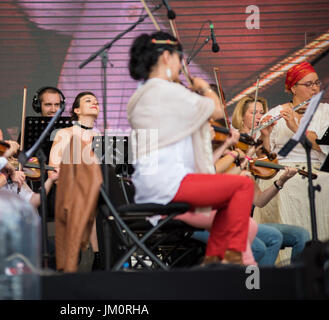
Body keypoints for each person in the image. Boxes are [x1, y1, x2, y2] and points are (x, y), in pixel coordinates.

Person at [127, 31, 254, 265]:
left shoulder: (142, 94)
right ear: (166, 57)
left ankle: (214, 258)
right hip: (169, 182)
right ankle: (233, 254)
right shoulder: (167, 90)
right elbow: (216, 110)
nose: (180, 65)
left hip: (152, 182)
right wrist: (205, 88)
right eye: (179, 58)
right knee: (244, 185)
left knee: (228, 198)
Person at [231, 95, 310, 264]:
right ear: (241, 116)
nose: (259, 116)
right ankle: (257, 286)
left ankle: (294, 284)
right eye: (253, 113)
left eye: (261, 112)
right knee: (268, 241)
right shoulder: (233, 145)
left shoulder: (255, 144)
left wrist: (281, 181)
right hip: (232, 221)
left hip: (247, 219)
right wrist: (244, 156)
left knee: (302, 235)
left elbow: (259, 199)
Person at [255, 61, 329, 242]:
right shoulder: (275, 113)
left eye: (317, 83)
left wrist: (296, 128)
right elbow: (264, 157)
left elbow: (321, 145)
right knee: (281, 183)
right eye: (308, 84)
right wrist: (265, 135)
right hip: (283, 171)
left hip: (317, 171)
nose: (314, 88)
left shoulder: (326, 111)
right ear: (293, 88)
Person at [49, 91, 102, 271]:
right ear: (77, 110)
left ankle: (100, 258)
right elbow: (54, 169)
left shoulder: (101, 136)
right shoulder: (64, 133)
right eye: (88, 101)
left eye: (96, 101)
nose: (94, 103)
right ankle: (93, 257)